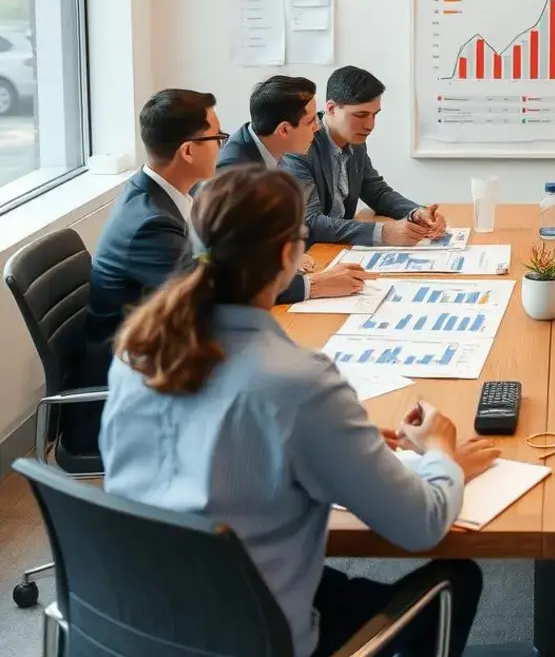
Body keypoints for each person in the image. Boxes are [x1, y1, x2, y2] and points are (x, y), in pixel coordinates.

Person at [100, 167, 497, 657]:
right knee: (459, 578)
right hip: (248, 636)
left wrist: (338, 437)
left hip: (133, 618)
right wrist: (443, 455)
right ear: (290, 256)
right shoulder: (298, 383)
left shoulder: (136, 352)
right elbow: (421, 525)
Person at [88, 89, 225, 375]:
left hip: (164, 338)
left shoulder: (166, 192)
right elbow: (212, 293)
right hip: (138, 365)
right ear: (188, 151)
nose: (221, 146)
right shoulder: (151, 223)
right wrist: (306, 285)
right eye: (217, 138)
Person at [217, 75, 368, 302]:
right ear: (284, 129)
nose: (318, 128)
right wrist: (313, 285)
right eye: (310, 122)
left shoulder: (265, 148)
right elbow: (234, 277)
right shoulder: (236, 175)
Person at [282, 66, 446, 246]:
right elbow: (310, 223)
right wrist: (382, 232)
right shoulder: (300, 144)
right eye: (361, 115)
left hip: (337, 248)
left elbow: (377, 192)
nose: (370, 125)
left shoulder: (355, 142)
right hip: (307, 256)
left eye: (375, 115)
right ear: (331, 108)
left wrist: (416, 213)